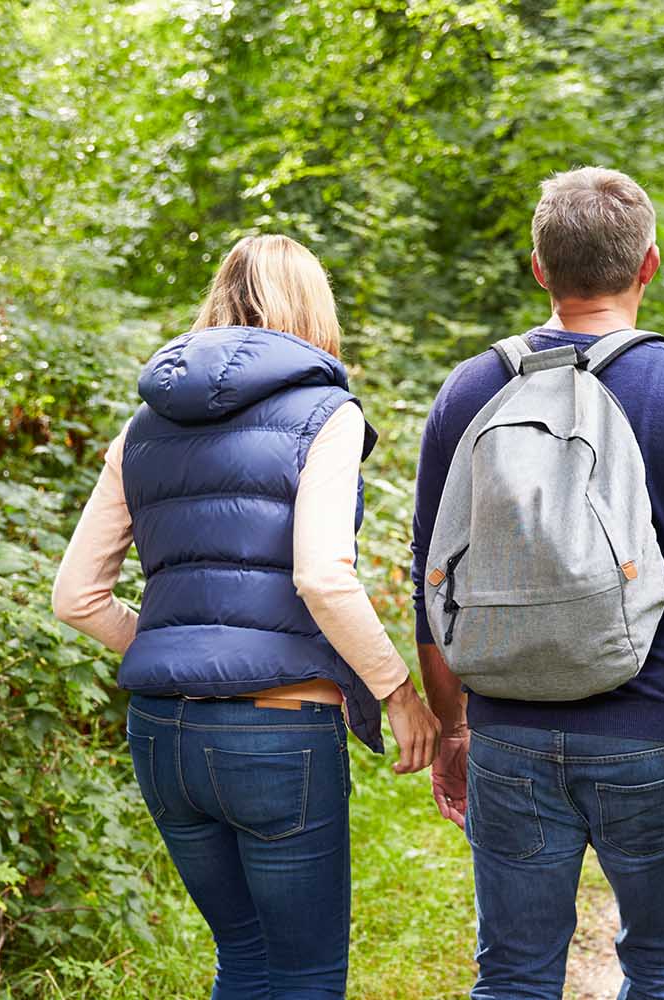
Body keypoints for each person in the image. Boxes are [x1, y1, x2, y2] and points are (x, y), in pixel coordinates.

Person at [410, 167, 664, 1000]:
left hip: (509, 737)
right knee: (661, 967)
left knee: (514, 977)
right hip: (656, 732)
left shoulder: (470, 390)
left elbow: (433, 575)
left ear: (539, 269)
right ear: (650, 266)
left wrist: (454, 727)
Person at [53, 234, 440, 999]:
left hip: (163, 735)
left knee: (246, 958)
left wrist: (173, 648)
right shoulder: (326, 414)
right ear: (313, 308)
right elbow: (323, 576)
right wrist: (398, 694)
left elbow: (75, 597)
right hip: (277, 735)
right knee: (304, 973)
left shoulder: (141, 428)